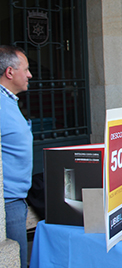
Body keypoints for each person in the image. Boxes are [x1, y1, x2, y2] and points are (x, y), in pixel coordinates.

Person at [0, 45, 33, 268]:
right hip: (7, 202)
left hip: (16, 199)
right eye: (26, 69)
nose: (30, 74)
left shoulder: (9, 100)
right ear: (10, 72)